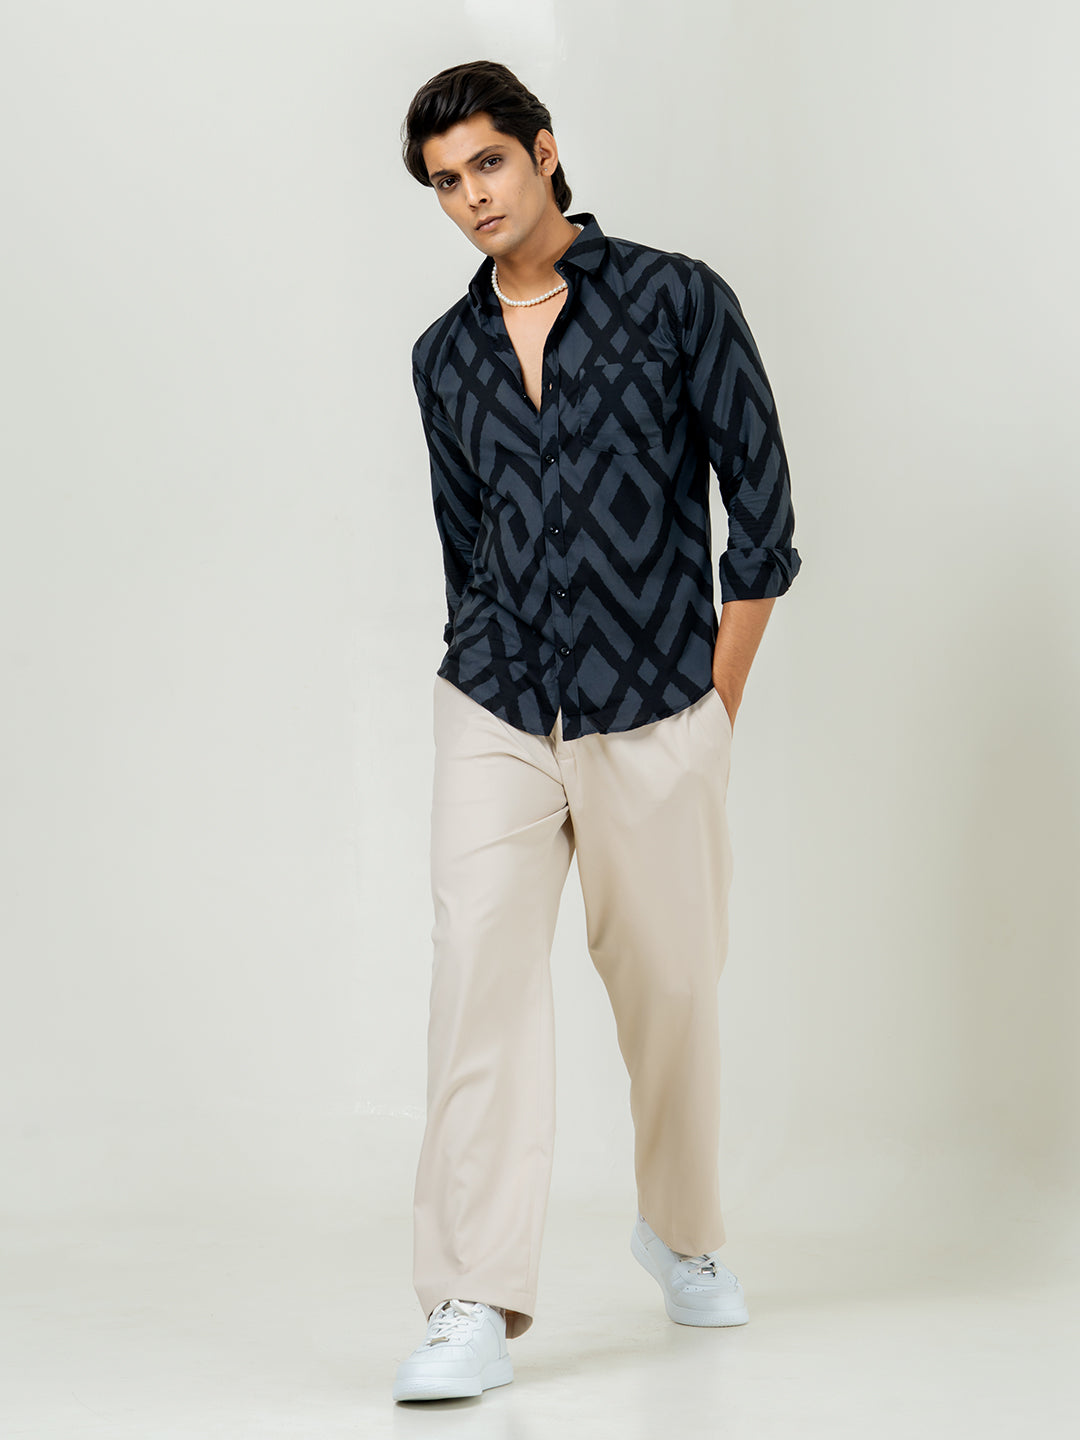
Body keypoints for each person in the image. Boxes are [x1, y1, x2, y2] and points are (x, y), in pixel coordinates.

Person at [392, 59, 802, 1404]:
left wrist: (714, 708)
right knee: (478, 984)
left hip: (656, 702)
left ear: (544, 150)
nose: (471, 197)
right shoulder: (443, 357)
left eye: (487, 163)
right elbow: (465, 549)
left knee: (673, 986)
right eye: (446, 182)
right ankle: (470, 1297)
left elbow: (764, 520)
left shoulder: (678, 300)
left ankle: (682, 1232)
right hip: (497, 702)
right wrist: (484, 658)